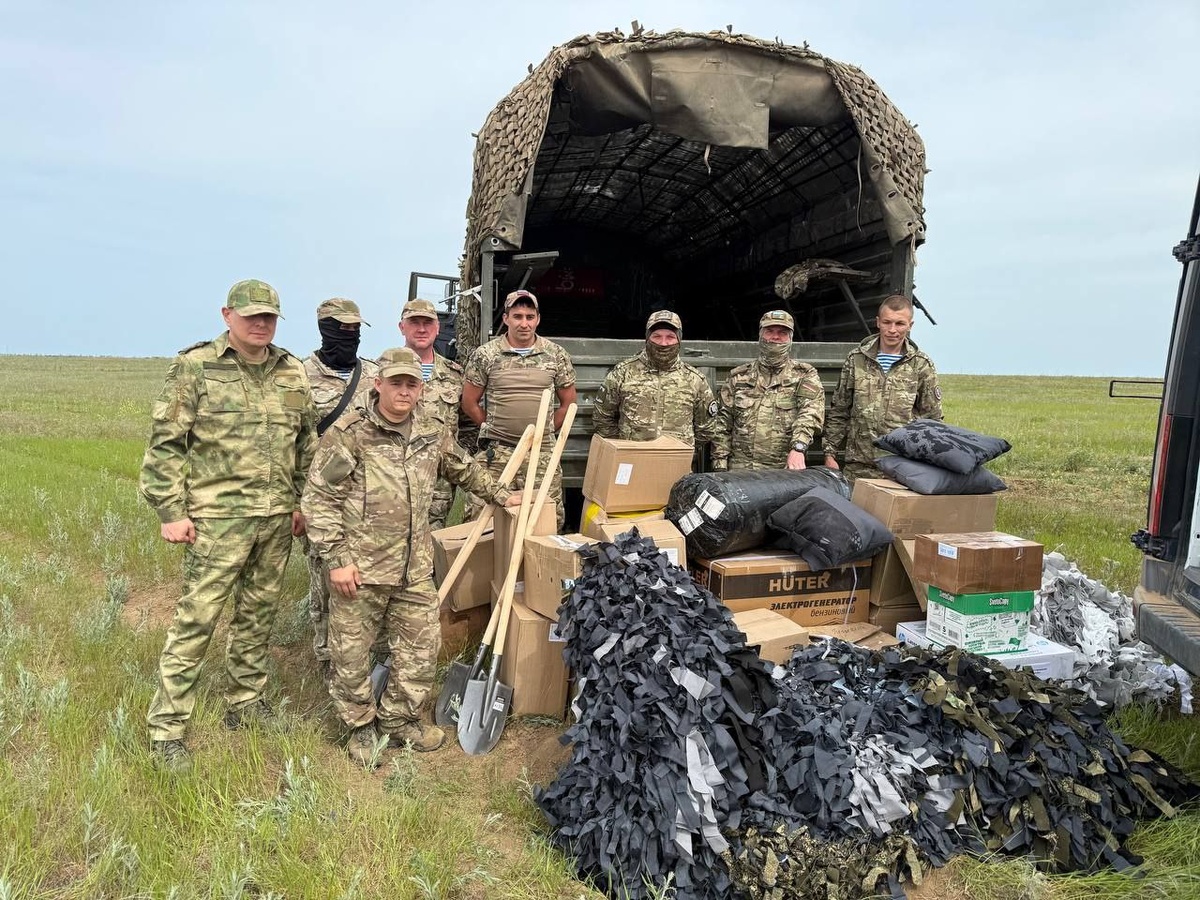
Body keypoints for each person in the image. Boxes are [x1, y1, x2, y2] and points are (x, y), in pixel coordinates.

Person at [302, 347, 521, 765]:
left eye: (411, 384)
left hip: (413, 569)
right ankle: (360, 728)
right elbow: (319, 499)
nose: (404, 391)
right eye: (396, 383)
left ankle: (399, 720)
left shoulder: (431, 430)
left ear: (421, 388)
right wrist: (337, 560)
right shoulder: (351, 434)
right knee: (351, 655)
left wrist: (501, 494)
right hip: (360, 569)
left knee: (421, 649)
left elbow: (462, 468)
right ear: (378, 384)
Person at [140, 279, 317, 773]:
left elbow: (306, 445)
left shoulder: (292, 371)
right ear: (227, 315)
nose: (261, 324)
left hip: (275, 518)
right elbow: (165, 444)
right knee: (196, 620)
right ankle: (167, 728)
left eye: (269, 317)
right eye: (251, 315)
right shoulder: (196, 366)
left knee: (257, 616)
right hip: (217, 520)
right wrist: (171, 511)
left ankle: (245, 702)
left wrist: (301, 501)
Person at [301, 298, 378, 675]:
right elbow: (290, 442)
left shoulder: (373, 375)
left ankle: (364, 655)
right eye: (341, 328)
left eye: (354, 329)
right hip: (322, 500)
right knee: (325, 580)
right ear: (323, 328)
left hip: (368, 501)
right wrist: (296, 504)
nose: (349, 335)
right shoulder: (300, 376)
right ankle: (327, 657)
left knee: (364, 581)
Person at [460, 289, 576, 529]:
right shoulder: (486, 355)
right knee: (481, 520)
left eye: (530, 317)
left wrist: (543, 431)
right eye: (517, 316)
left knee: (546, 520)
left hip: (541, 452)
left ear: (538, 319)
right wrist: (493, 427)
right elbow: (469, 403)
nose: (524, 323)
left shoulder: (555, 355)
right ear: (506, 319)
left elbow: (567, 404)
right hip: (498, 453)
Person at [823, 293, 943, 481]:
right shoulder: (856, 359)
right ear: (878, 322)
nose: (892, 330)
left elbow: (932, 419)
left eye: (900, 323)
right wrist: (830, 454)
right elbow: (840, 410)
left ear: (910, 325)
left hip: (901, 468)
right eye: (887, 322)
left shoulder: (921, 365)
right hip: (858, 467)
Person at [711, 310, 824, 471]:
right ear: (760, 335)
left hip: (784, 470)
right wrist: (720, 465)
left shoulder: (804, 375)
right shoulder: (739, 377)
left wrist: (798, 448)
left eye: (782, 333)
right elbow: (722, 423)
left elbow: (810, 414)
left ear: (790, 338)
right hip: (741, 470)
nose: (775, 337)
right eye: (769, 331)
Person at [592, 310, 717, 446]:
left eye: (670, 337)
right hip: (632, 455)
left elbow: (707, 429)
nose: (663, 343)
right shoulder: (623, 373)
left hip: (675, 457)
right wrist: (622, 446)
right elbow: (602, 418)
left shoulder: (695, 380)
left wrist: (682, 447)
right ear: (647, 338)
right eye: (657, 336)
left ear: (679, 340)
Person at [398, 298, 464, 530]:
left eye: (427, 323)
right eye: (414, 322)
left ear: (437, 328)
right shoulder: (381, 372)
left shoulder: (454, 375)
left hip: (439, 484)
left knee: (435, 543)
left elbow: (466, 426)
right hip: (395, 480)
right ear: (401, 327)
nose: (421, 329)